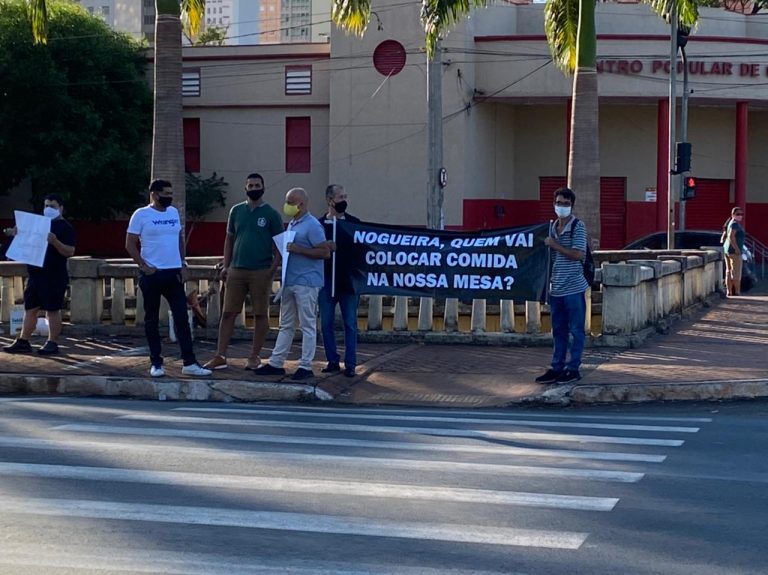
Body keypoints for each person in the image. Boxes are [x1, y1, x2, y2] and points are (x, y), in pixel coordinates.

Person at [125, 179, 212, 378]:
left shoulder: (173, 213)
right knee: (152, 319)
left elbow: (179, 238)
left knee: (182, 317)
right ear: (154, 194)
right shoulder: (141, 215)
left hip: (174, 273)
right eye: (165, 193)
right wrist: (144, 266)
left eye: (171, 193)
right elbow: (129, 243)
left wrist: (183, 264)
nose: (169, 196)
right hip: (152, 275)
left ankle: (189, 362)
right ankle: (156, 362)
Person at [203, 173, 283, 371]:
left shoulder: (271, 214)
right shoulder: (236, 211)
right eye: (250, 185)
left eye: (257, 185)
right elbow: (229, 239)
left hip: (260, 270)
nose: (254, 188)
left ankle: (254, 356)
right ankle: (220, 355)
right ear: (245, 188)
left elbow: (281, 247)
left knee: (260, 315)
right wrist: (226, 265)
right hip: (237, 270)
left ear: (263, 187)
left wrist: (271, 271)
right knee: (228, 313)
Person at [254, 187, 329, 380]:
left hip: (307, 282)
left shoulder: (312, 225)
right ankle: (276, 362)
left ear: (301, 203)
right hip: (290, 280)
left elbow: (324, 252)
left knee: (307, 324)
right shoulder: (293, 223)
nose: (286, 205)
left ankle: (306, 365)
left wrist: (299, 249)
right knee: (285, 324)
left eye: (290, 201)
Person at [3, 194, 76, 355]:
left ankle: (52, 342)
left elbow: (70, 251)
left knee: (52, 309)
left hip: (54, 275)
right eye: (46, 205)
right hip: (35, 273)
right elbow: (23, 241)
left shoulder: (65, 227)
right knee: (30, 308)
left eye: (53, 206)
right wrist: (14, 233)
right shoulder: (37, 225)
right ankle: (23, 340)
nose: (48, 209)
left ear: (61, 208)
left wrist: (55, 242)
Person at [535, 187, 590, 385]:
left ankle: (573, 367)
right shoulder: (551, 227)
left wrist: (555, 245)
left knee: (576, 330)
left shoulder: (577, 226)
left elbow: (578, 254)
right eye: (559, 203)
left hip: (573, 287)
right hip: (556, 287)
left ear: (571, 206)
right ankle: (556, 366)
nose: (562, 207)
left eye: (566, 204)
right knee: (558, 330)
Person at [317, 184, 361, 378]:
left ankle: (350, 363)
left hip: (348, 281)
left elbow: (361, 252)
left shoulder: (354, 224)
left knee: (350, 323)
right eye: (339, 197)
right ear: (329, 200)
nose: (343, 200)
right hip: (326, 280)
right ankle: (332, 360)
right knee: (326, 323)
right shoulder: (318, 225)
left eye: (345, 196)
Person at [722, 206, 745, 297]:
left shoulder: (730, 223)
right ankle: (737, 291)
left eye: (741, 214)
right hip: (734, 252)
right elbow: (732, 236)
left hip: (727, 250)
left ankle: (729, 291)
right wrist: (737, 249)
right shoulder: (735, 224)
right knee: (736, 272)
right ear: (733, 215)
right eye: (738, 214)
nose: (740, 216)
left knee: (728, 271)